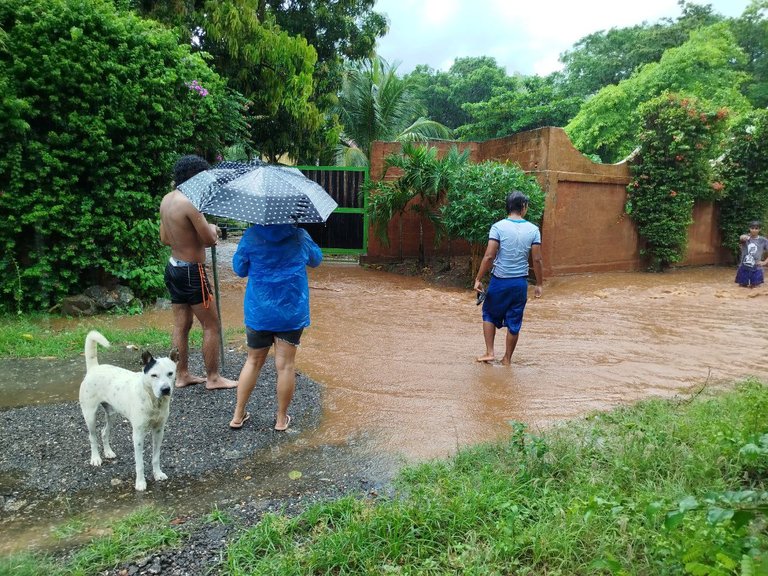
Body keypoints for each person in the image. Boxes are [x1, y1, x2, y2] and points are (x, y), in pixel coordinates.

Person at [229, 223, 322, 431]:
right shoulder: (299, 235)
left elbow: (239, 269)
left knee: (252, 362)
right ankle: (281, 419)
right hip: (290, 313)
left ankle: (238, 415)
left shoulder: (252, 235)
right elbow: (316, 260)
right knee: (286, 365)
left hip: (259, 312)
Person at [159, 155, 237, 390]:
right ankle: (213, 378)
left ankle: (181, 375)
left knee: (181, 324)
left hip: (173, 267)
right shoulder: (191, 203)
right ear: (196, 177)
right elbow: (209, 239)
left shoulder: (167, 200)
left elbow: (164, 238)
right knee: (212, 324)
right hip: (193, 273)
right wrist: (212, 228)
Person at [474, 191, 543, 365]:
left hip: (500, 281)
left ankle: (490, 352)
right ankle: (507, 359)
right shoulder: (533, 230)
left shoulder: (498, 227)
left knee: (489, 312)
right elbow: (537, 259)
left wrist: (478, 278)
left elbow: (489, 256)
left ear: (508, 206)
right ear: (524, 207)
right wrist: (539, 284)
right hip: (520, 283)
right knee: (515, 319)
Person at [735, 220, 768, 288]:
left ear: (759, 229)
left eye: (756, 228)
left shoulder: (763, 240)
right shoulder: (745, 238)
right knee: (742, 287)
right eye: (752, 228)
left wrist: (765, 262)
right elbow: (741, 238)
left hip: (756, 268)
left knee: (755, 287)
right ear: (749, 228)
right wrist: (743, 237)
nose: (754, 230)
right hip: (744, 267)